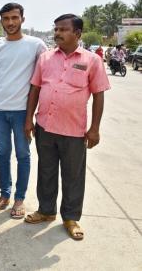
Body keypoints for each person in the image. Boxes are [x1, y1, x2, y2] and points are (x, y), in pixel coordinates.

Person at [24, 14, 110, 240]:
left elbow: (99, 95)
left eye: (63, 29)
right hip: (45, 126)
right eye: (56, 29)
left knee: (73, 176)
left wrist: (95, 128)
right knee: (46, 171)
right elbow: (35, 89)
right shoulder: (45, 58)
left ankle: (71, 217)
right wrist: (28, 120)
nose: (57, 33)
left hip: (73, 131)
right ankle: (45, 210)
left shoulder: (92, 60)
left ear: (77, 34)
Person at [0, 3, 47, 219]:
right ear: (1, 21)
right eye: (6, 18)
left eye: (14, 17)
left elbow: (43, 77)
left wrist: (34, 113)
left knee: (23, 155)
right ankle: (4, 194)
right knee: (2, 154)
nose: (10, 22)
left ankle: (20, 198)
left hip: (22, 112)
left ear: (22, 19)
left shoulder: (36, 45)